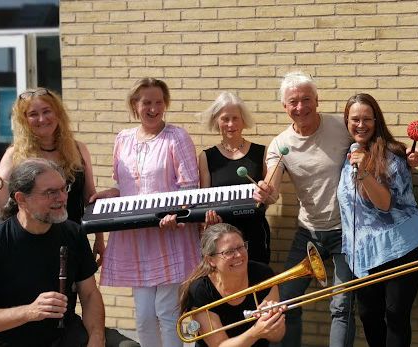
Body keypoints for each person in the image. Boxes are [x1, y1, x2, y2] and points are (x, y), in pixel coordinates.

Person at [252, 71, 418, 347]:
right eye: (293, 102)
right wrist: (266, 192)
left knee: (342, 307)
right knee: (287, 303)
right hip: (308, 233)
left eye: (306, 99)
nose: (300, 107)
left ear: (317, 100)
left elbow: (375, 141)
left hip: (347, 234)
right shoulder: (280, 145)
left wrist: (407, 156)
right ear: (284, 106)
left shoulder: (341, 128)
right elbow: (271, 186)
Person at [92, 78, 202, 347]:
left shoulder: (177, 137)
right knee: (143, 315)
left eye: (158, 102)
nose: (153, 108)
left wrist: (174, 213)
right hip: (135, 237)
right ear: (135, 105)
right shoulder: (123, 139)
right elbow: (126, 185)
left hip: (169, 234)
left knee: (166, 311)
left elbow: (190, 187)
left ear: (165, 105)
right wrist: (111, 193)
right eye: (146, 103)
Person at [0, 158, 104, 347]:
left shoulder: (73, 233)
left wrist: (97, 338)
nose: (61, 198)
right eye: (50, 193)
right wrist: (29, 312)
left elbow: (90, 294)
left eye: (63, 189)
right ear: (21, 199)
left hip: (64, 336)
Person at [336, 93, 418, 347]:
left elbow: (385, 204)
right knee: (368, 316)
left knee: (395, 314)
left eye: (367, 119)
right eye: (354, 119)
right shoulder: (348, 155)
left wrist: (365, 171)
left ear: (376, 121)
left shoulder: (391, 156)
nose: (361, 124)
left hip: (403, 246)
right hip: (364, 253)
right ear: (346, 122)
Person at [0, 87, 103, 264]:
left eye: (47, 111)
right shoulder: (14, 155)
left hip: (72, 240)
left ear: (58, 113)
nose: (41, 119)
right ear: (24, 120)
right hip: (29, 243)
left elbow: (90, 198)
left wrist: (99, 238)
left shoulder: (79, 150)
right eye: (33, 114)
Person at [179, 223, 286, 347]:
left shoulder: (263, 274)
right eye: (229, 252)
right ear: (211, 260)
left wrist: (273, 320)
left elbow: (277, 337)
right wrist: (255, 332)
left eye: (241, 247)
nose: (239, 255)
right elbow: (219, 345)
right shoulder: (200, 290)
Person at [198, 92, 271, 264]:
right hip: (221, 240)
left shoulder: (261, 153)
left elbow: (272, 197)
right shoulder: (206, 157)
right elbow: (205, 201)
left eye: (235, 118)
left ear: (243, 120)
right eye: (225, 119)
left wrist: (268, 195)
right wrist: (207, 220)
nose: (230, 124)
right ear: (216, 121)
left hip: (255, 234)